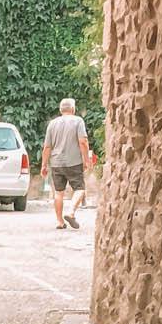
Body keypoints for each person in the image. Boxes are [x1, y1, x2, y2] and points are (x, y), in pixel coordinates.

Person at [40, 96, 98, 229]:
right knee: (80, 189)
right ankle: (71, 212)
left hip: (56, 163)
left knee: (58, 193)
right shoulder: (78, 121)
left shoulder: (52, 124)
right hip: (74, 162)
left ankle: (60, 222)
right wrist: (86, 160)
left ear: (61, 110)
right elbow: (82, 142)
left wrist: (44, 164)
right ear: (73, 109)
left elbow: (47, 147)